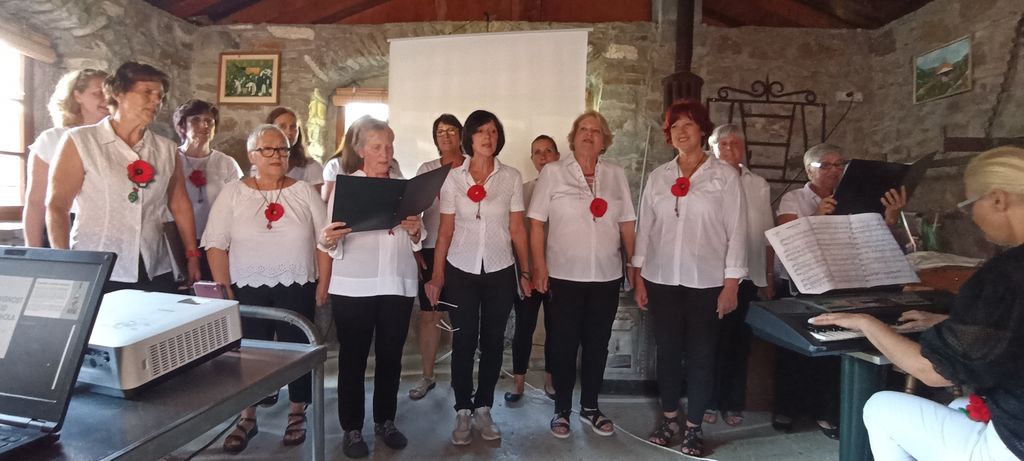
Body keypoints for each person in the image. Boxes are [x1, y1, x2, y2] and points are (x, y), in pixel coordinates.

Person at [808, 146, 1024, 461]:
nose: (973, 217)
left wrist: (867, 323)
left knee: (880, 407)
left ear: (998, 199)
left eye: (970, 205)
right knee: (957, 405)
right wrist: (946, 323)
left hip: (1015, 442)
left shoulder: (1004, 275)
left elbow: (933, 372)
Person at [202, 124, 330, 453]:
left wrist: (324, 284)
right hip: (246, 286)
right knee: (248, 354)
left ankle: (297, 410)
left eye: (283, 149)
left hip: (297, 282)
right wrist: (224, 290)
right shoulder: (233, 193)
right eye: (268, 149)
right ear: (252, 155)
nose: (277, 155)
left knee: (298, 350)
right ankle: (247, 415)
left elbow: (325, 240)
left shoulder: (304, 191)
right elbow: (215, 243)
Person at [633, 99, 747, 456]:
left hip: (706, 282)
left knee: (701, 355)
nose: (681, 131)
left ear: (702, 130)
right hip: (662, 278)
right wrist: (638, 276)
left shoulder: (725, 176)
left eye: (689, 124)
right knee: (666, 352)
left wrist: (731, 284)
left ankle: (694, 426)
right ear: (669, 134)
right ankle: (669, 418)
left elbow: (737, 232)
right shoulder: (658, 177)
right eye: (675, 126)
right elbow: (645, 228)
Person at [772, 143, 907, 438]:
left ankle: (827, 411)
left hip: (841, 280)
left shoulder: (856, 196)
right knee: (794, 350)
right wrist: (817, 217)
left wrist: (891, 217)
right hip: (802, 282)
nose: (834, 170)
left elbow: (874, 239)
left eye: (839, 164)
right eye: (825, 165)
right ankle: (787, 407)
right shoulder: (795, 198)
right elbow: (785, 240)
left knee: (833, 350)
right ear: (808, 170)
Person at [424, 110, 531, 446]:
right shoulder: (453, 178)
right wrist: (437, 276)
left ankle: (484, 406)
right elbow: (445, 231)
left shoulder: (511, 177)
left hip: (500, 269)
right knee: (464, 340)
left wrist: (526, 271)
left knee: (494, 340)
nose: (488, 137)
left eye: (494, 132)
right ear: (469, 137)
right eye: (481, 131)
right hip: (460, 269)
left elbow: (517, 228)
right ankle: (462, 409)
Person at [46, 62, 200, 291]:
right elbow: (57, 206)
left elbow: (180, 204)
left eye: (160, 96)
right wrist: (65, 262)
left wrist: (192, 255)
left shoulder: (166, 149)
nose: (156, 101)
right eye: (147, 92)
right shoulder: (81, 141)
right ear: (118, 94)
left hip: (155, 266)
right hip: (98, 265)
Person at [318, 118, 422, 458]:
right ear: (361, 150)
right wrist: (329, 239)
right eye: (377, 147)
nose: (385, 153)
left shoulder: (406, 188)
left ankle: (385, 420)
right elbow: (328, 241)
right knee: (353, 358)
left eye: (389, 146)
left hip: (397, 283)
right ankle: (351, 428)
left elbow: (417, 241)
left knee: (391, 357)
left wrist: (416, 231)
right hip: (354, 285)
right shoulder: (346, 187)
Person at [529, 112, 636, 438]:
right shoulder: (553, 172)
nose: (589, 135)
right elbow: (536, 222)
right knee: (563, 344)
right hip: (564, 275)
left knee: (597, 345)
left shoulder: (616, 174)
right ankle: (562, 409)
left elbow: (627, 224)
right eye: (583, 129)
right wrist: (539, 267)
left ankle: (590, 407)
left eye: (596, 131)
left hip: (606, 275)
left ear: (605, 141)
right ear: (573, 137)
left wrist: (634, 265)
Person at [705, 124, 776, 427]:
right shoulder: (704, 181)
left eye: (735, 144)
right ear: (711, 149)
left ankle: (733, 402)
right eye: (722, 144)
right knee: (710, 341)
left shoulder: (758, 184)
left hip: (748, 273)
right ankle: (707, 400)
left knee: (739, 342)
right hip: (711, 276)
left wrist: (768, 276)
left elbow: (766, 233)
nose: (729, 149)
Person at [409, 113, 465, 401]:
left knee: (462, 316)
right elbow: (412, 212)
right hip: (431, 247)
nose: (446, 136)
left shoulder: (472, 166)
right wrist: (417, 250)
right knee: (430, 315)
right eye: (440, 131)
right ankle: (427, 375)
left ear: (461, 134)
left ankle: (460, 378)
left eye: (451, 130)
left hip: (465, 249)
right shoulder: (427, 169)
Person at [23, 68, 108, 248]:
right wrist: (33, 253)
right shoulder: (52, 139)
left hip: (106, 232)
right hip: (60, 227)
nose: (106, 99)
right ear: (77, 95)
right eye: (97, 93)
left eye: (109, 93)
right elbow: (36, 202)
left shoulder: (117, 143)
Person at [504, 134, 559, 404]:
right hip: (528, 273)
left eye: (548, 151)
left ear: (557, 156)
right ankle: (518, 383)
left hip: (559, 272)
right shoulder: (523, 191)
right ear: (532, 159)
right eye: (537, 152)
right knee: (524, 327)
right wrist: (525, 272)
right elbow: (516, 232)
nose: (543, 156)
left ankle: (551, 381)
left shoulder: (567, 191)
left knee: (555, 328)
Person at [172, 99, 243, 279]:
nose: (204, 125)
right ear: (182, 126)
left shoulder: (226, 163)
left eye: (209, 121)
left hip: (215, 241)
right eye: (196, 120)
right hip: (177, 240)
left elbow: (239, 205)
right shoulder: (171, 158)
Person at [266, 107, 324, 193]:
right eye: (282, 126)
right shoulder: (260, 166)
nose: (289, 132)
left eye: (293, 127)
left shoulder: (311, 167)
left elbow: (315, 199)